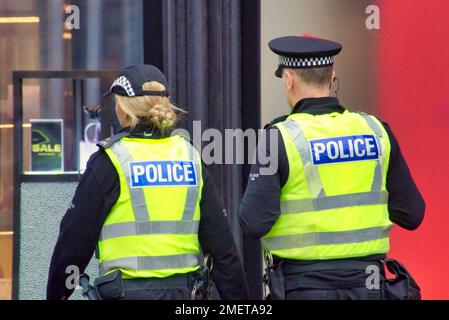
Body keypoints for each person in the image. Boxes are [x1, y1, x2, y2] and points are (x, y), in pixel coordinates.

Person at [239, 36, 425, 300]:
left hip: (304, 287)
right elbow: (412, 214)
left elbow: (253, 222)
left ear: (289, 79)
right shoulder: (376, 131)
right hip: (369, 287)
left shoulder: (280, 138)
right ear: (332, 77)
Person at [47, 64, 249, 300]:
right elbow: (223, 250)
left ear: (122, 108)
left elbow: (73, 242)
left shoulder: (110, 161)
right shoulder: (190, 157)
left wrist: (57, 294)